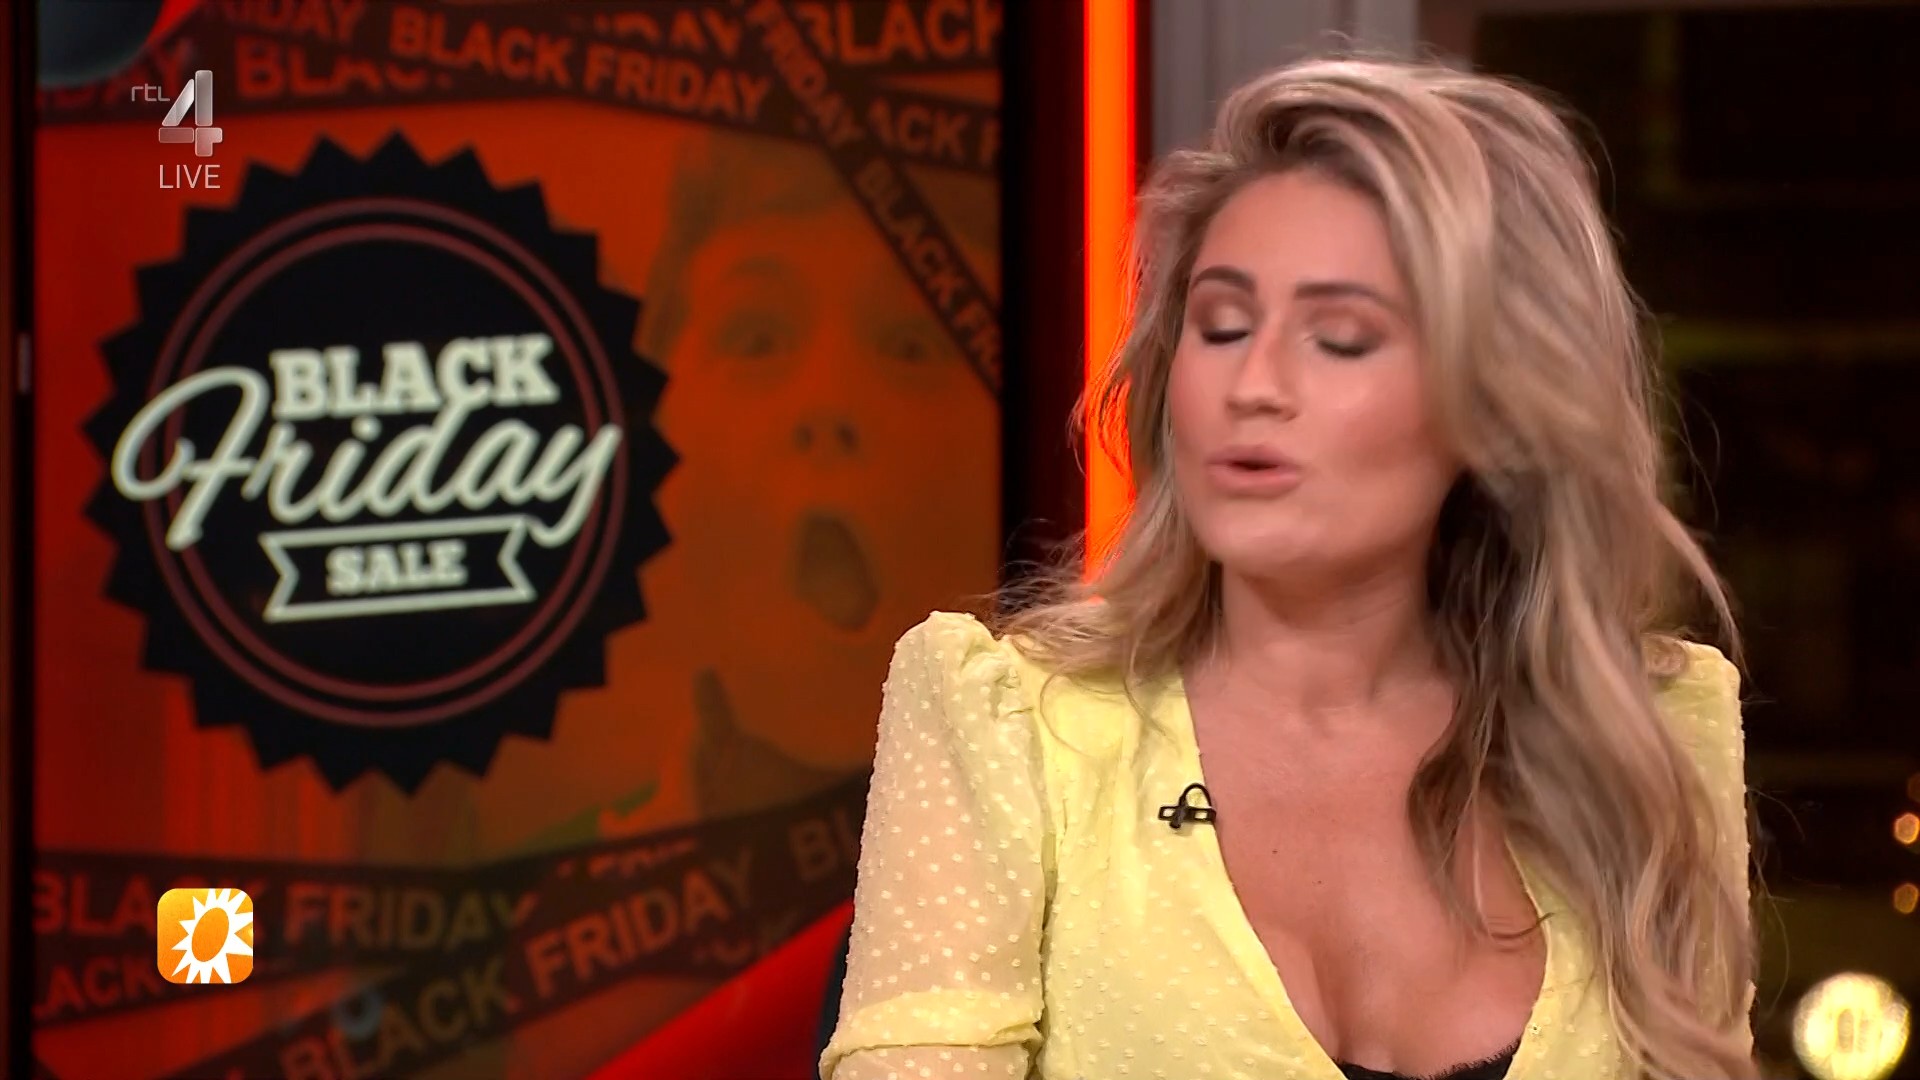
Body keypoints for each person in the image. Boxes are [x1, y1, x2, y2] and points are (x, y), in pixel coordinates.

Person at [819, 55, 1756, 1080]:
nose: (1253, 384)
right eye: (1221, 325)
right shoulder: (1008, 727)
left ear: (1495, 403)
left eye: (1340, 339)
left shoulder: (1650, 739)